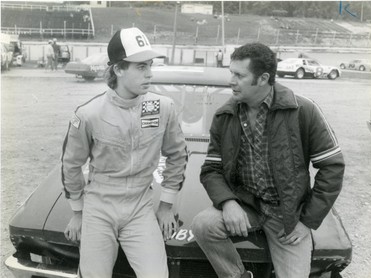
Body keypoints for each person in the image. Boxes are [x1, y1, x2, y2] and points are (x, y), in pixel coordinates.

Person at [191, 42, 345, 278]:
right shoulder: (225, 115)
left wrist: (307, 222)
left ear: (263, 79)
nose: (231, 80)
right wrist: (228, 203)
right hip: (246, 204)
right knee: (203, 225)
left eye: (239, 75)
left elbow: (332, 167)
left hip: (289, 216)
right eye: (231, 72)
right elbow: (211, 169)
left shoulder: (303, 110)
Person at [61, 27, 188, 278]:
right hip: (99, 207)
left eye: (150, 66)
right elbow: (71, 164)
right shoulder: (88, 114)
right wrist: (77, 212)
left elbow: (177, 154)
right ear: (118, 69)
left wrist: (165, 205)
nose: (150, 74)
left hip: (140, 206)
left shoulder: (163, 107)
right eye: (141, 67)